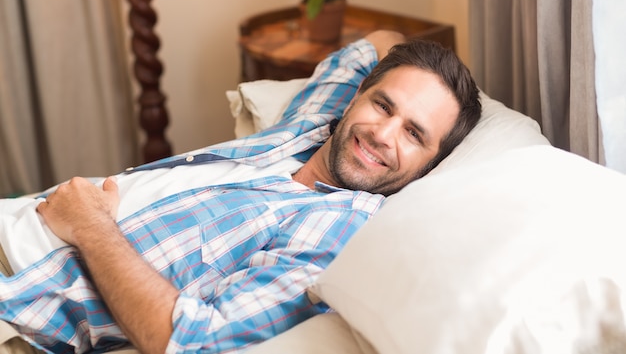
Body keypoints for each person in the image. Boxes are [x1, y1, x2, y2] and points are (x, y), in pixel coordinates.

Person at [0, 30, 481, 353]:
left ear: (429, 168)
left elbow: (190, 340)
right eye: (382, 104)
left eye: (414, 134)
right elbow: (378, 43)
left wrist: (90, 225)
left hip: (17, 300)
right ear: (357, 96)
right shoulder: (309, 128)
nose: (382, 133)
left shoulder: (341, 228)